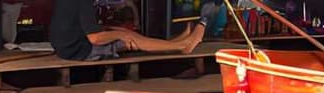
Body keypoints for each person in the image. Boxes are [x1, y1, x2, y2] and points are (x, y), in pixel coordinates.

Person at [51, 0, 216, 62]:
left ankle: (175, 43)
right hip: (79, 50)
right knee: (129, 36)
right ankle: (182, 46)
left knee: (121, 32)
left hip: (66, 45)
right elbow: (94, 38)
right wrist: (122, 34)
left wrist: (116, 30)